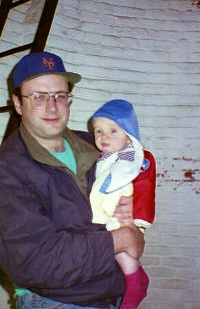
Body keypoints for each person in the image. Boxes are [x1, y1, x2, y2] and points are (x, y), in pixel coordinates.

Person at [0, 51, 145, 309]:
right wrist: (123, 239)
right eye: (38, 97)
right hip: (56, 301)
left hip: (113, 294)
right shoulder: (7, 169)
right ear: (18, 103)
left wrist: (134, 223)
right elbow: (35, 260)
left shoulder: (96, 144)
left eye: (60, 95)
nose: (52, 106)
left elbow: (136, 187)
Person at [89, 99, 156, 309]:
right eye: (98, 131)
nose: (104, 136)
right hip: (107, 219)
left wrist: (139, 220)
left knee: (122, 251)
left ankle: (135, 284)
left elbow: (146, 189)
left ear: (129, 136)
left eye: (113, 130)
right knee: (117, 252)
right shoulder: (102, 159)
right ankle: (137, 276)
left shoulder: (135, 159)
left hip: (124, 220)